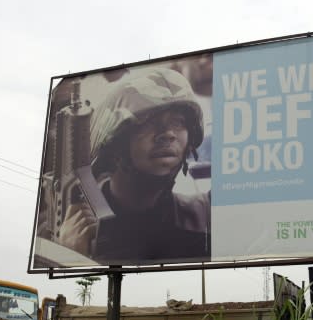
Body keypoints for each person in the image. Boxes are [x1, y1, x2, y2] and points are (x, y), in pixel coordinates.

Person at [57, 67, 210, 264]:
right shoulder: (79, 230)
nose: (168, 134)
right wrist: (68, 257)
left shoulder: (202, 217)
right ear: (116, 142)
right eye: (148, 123)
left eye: (178, 122)